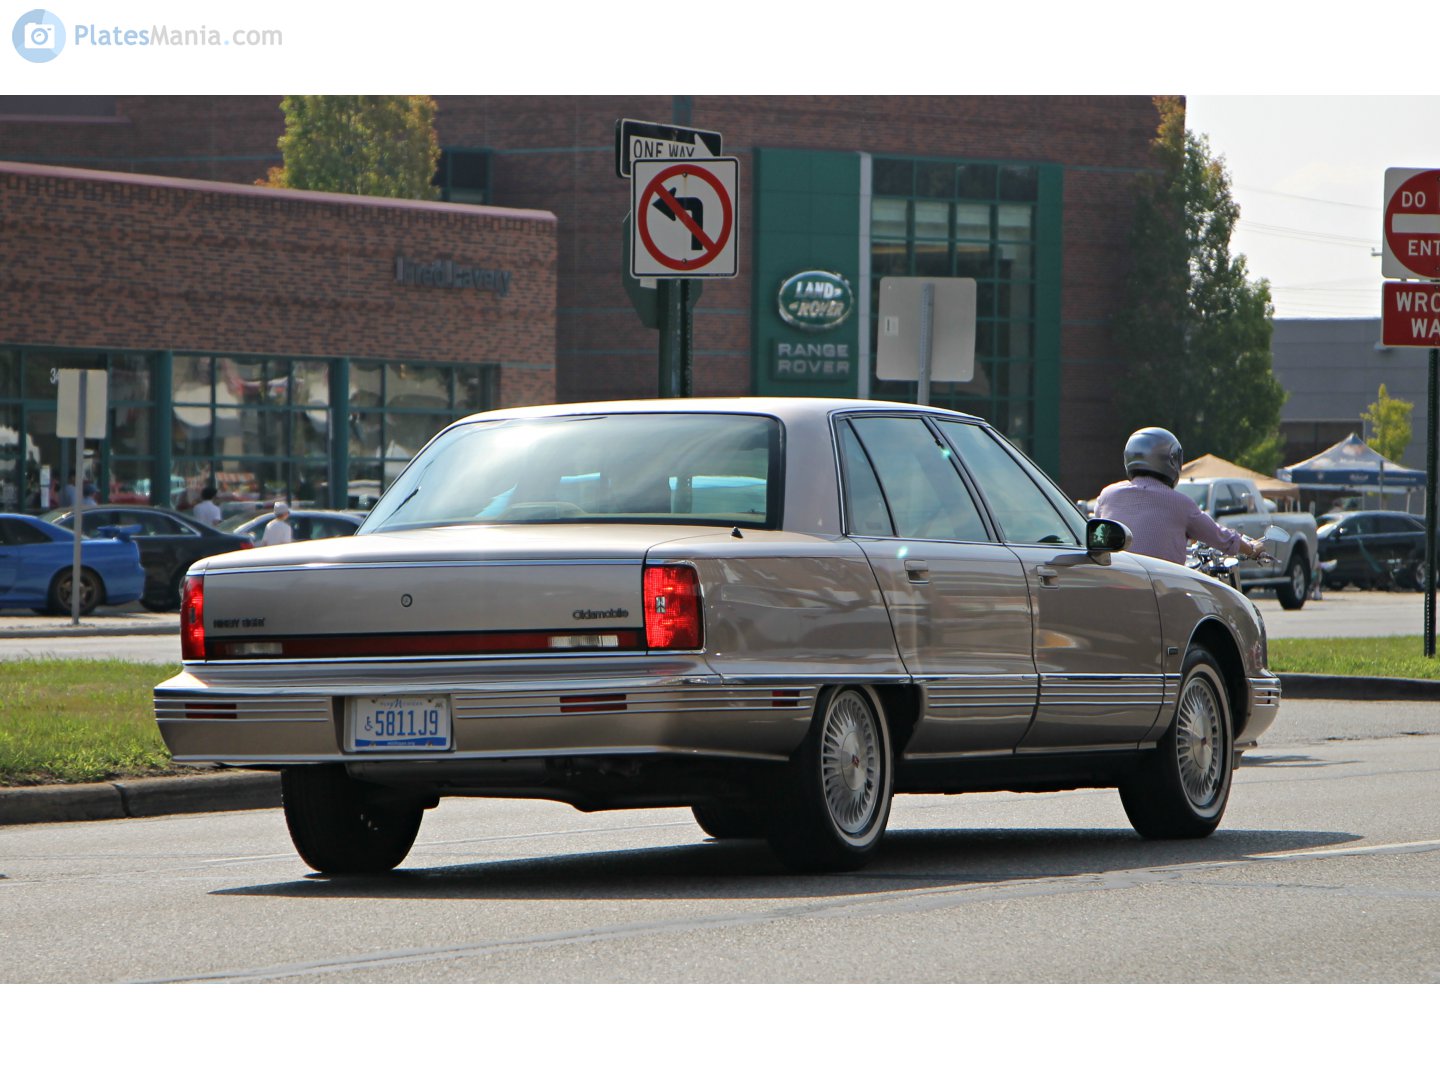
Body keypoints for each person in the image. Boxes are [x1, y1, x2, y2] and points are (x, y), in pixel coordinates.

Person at [1095, 427, 1265, 565]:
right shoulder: (1180, 504)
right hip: (1162, 589)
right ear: (1171, 460)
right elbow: (1221, 537)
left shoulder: (1107, 495)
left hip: (1115, 581)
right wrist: (1251, 548)